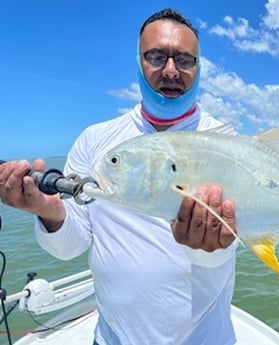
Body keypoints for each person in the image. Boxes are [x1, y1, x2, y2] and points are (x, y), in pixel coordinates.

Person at [0, 8, 239, 345]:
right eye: (157, 56)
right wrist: (46, 209)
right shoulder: (97, 140)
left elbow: (230, 241)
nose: (171, 70)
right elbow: (73, 243)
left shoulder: (226, 143)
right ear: (139, 62)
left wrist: (214, 247)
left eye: (185, 59)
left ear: (198, 68)